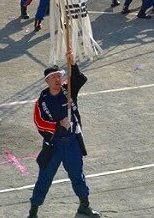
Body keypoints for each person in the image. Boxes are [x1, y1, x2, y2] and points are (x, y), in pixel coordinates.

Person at [27, 49, 100, 217]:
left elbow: (79, 79)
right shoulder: (41, 102)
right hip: (54, 145)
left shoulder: (69, 91)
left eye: (59, 76)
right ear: (47, 81)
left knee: (78, 175)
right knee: (44, 179)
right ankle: (33, 211)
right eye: (54, 77)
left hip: (72, 142)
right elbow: (39, 123)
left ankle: (84, 205)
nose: (58, 79)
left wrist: (72, 63)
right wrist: (58, 125)